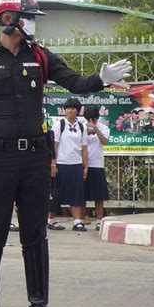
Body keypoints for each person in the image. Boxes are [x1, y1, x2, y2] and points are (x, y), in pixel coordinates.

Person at [0, 0, 132, 307]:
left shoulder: (40, 57)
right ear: (8, 19)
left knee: (35, 234)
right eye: (28, 17)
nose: (32, 23)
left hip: (36, 159)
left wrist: (102, 79)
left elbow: (76, 82)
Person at [47, 98, 88, 232]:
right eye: (68, 108)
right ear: (64, 110)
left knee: (76, 194)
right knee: (56, 193)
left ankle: (77, 222)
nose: (70, 110)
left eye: (73, 108)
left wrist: (85, 166)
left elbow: (84, 147)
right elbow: (54, 144)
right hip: (61, 164)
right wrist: (53, 163)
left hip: (75, 164)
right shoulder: (59, 125)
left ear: (78, 110)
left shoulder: (81, 126)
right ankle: (50, 220)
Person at [82, 105, 110, 230]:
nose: (90, 121)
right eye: (88, 119)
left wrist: (95, 128)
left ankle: (99, 220)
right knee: (81, 194)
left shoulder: (104, 127)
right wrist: (86, 130)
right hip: (83, 164)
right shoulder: (81, 126)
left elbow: (104, 141)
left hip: (97, 165)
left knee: (98, 195)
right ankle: (80, 220)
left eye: (92, 119)